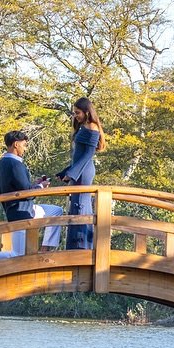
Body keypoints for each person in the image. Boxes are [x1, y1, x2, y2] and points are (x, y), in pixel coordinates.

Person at [0, 130, 63, 263]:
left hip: (24, 208)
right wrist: (40, 187)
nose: (25, 148)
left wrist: (35, 185)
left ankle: (44, 250)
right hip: (20, 213)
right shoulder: (14, 164)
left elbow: (20, 187)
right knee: (17, 255)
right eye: (24, 145)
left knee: (56, 211)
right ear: (16, 144)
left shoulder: (3, 162)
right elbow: (26, 193)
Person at [56, 97, 107, 250]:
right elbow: (78, 155)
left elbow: (88, 154)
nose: (75, 115)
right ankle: (73, 246)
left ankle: (82, 246)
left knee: (81, 204)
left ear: (86, 112)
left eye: (77, 112)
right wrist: (65, 171)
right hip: (79, 169)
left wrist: (72, 174)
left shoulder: (92, 127)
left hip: (83, 172)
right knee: (75, 203)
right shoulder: (84, 126)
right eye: (74, 112)